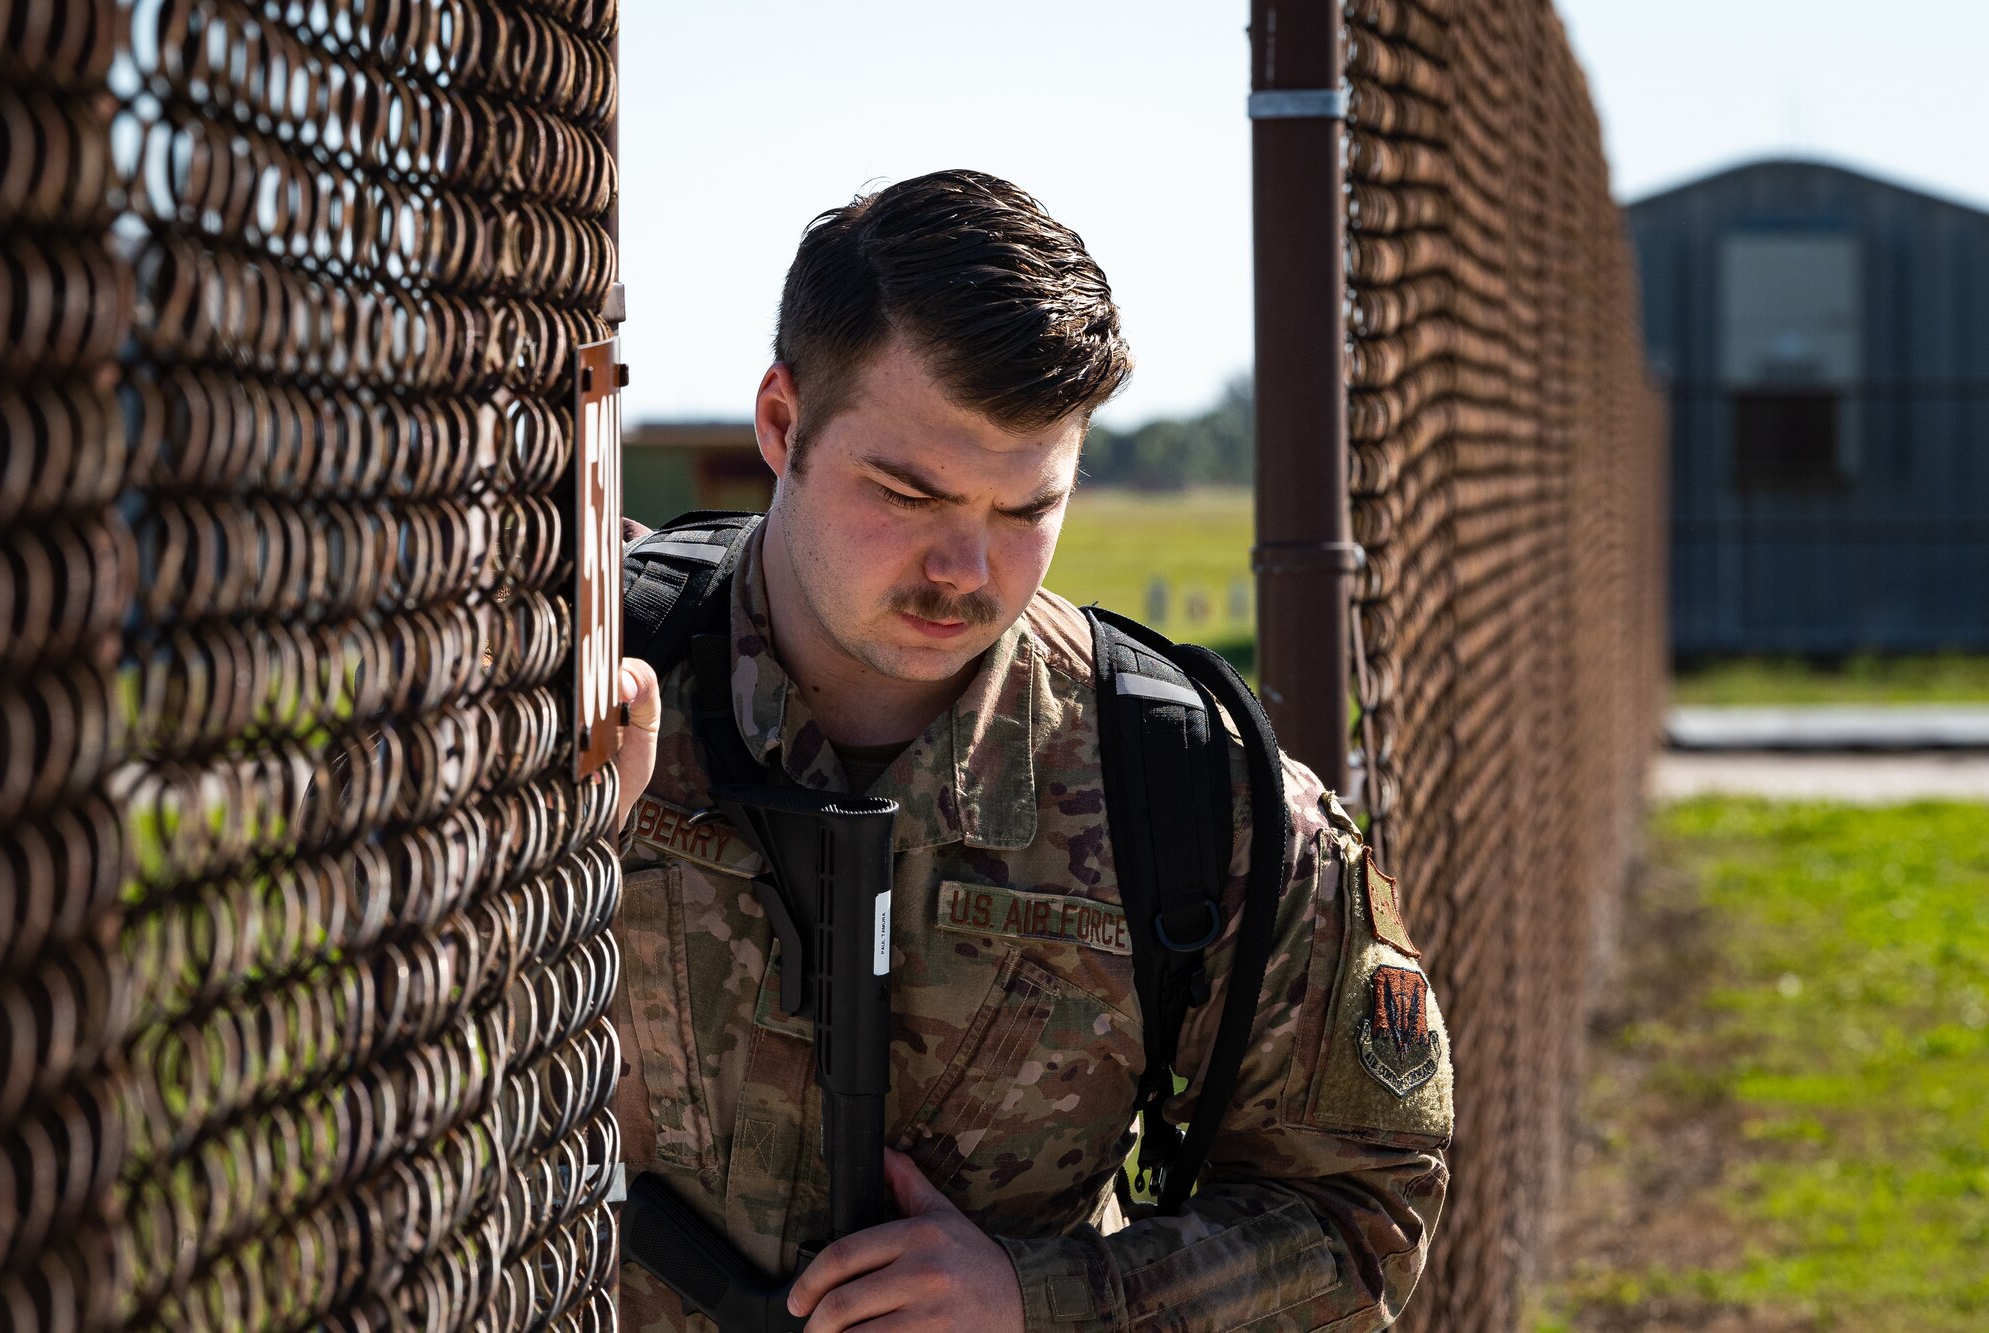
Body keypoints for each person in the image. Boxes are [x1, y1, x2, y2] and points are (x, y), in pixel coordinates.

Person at [608, 169, 1452, 1332]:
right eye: (907, 494)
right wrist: (519, 846)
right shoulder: (578, 675)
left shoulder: (1186, 786)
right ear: (781, 424)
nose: (964, 571)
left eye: (1023, 512)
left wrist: (1042, 1302)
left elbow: (1365, 1212)